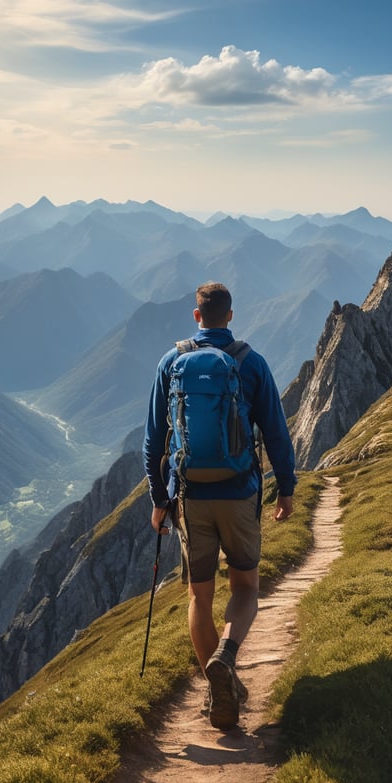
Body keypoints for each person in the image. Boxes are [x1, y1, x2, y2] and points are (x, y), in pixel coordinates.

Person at [143, 281, 296, 730]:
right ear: (230, 317)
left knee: (199, 596)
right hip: (240, 493)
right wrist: (285, 489)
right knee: (246, 588)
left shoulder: (170, 363)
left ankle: (215, 688)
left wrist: (159, 500)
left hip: (191, 499)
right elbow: (276, 435)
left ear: (196, 316)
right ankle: (227, 659)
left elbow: (154, 441)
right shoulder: (251, 363)